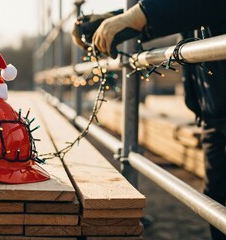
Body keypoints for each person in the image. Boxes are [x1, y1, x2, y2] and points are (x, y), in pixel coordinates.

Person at [72, 1, 226, 239]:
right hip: (213, 107)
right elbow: (189, 13)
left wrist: (138, 14)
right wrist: (116, 18)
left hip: (217, 102)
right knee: (217, 203)